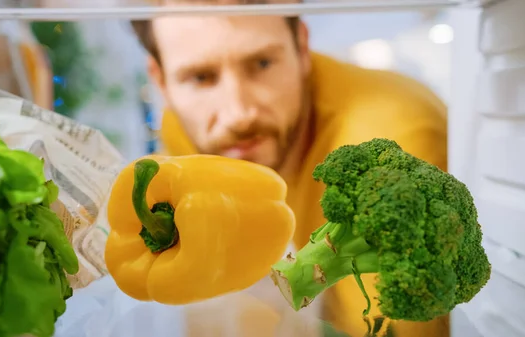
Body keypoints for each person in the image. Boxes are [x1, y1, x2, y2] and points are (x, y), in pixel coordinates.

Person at [131, 3, 449, 336]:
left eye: (262, 63)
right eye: (200, 77)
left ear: (302, 46)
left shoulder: (389, 146)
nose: (239, 114)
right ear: (161, 80)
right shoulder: (182, 129)